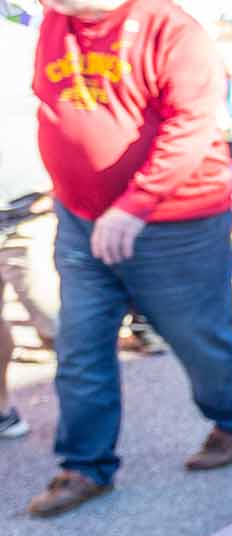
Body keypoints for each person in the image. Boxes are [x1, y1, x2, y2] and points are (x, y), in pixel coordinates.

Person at [27, 0, 232, 517]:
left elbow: (191, 126)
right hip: (81, 216)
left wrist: (134, 205)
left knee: (197, 336)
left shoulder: (172, 29)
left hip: (176, 222)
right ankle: (84, 466)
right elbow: (54, 98)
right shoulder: (55, 19)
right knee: (80, 342)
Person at [1, 14, 58, 439]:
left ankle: (89, 417)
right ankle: (2, 405)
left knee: (52, 316)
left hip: (27, 207)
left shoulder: (29, 36)